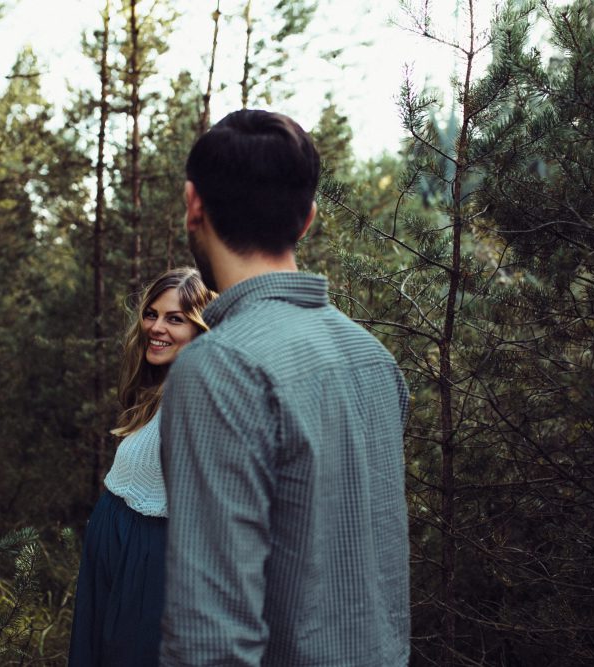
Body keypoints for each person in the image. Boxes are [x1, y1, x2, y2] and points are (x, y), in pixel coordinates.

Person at [159, 110, 410, 666]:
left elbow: (211, 641)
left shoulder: (220, 367)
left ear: (192, 203)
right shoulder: (373, 359)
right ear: (307, 219)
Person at [68, 267, 216, 667]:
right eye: (151, 314)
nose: (156, 327)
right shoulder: (160, 390)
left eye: (175, 319)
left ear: (202, 328)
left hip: (152, 555)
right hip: (114, 542)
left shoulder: (199, 392)